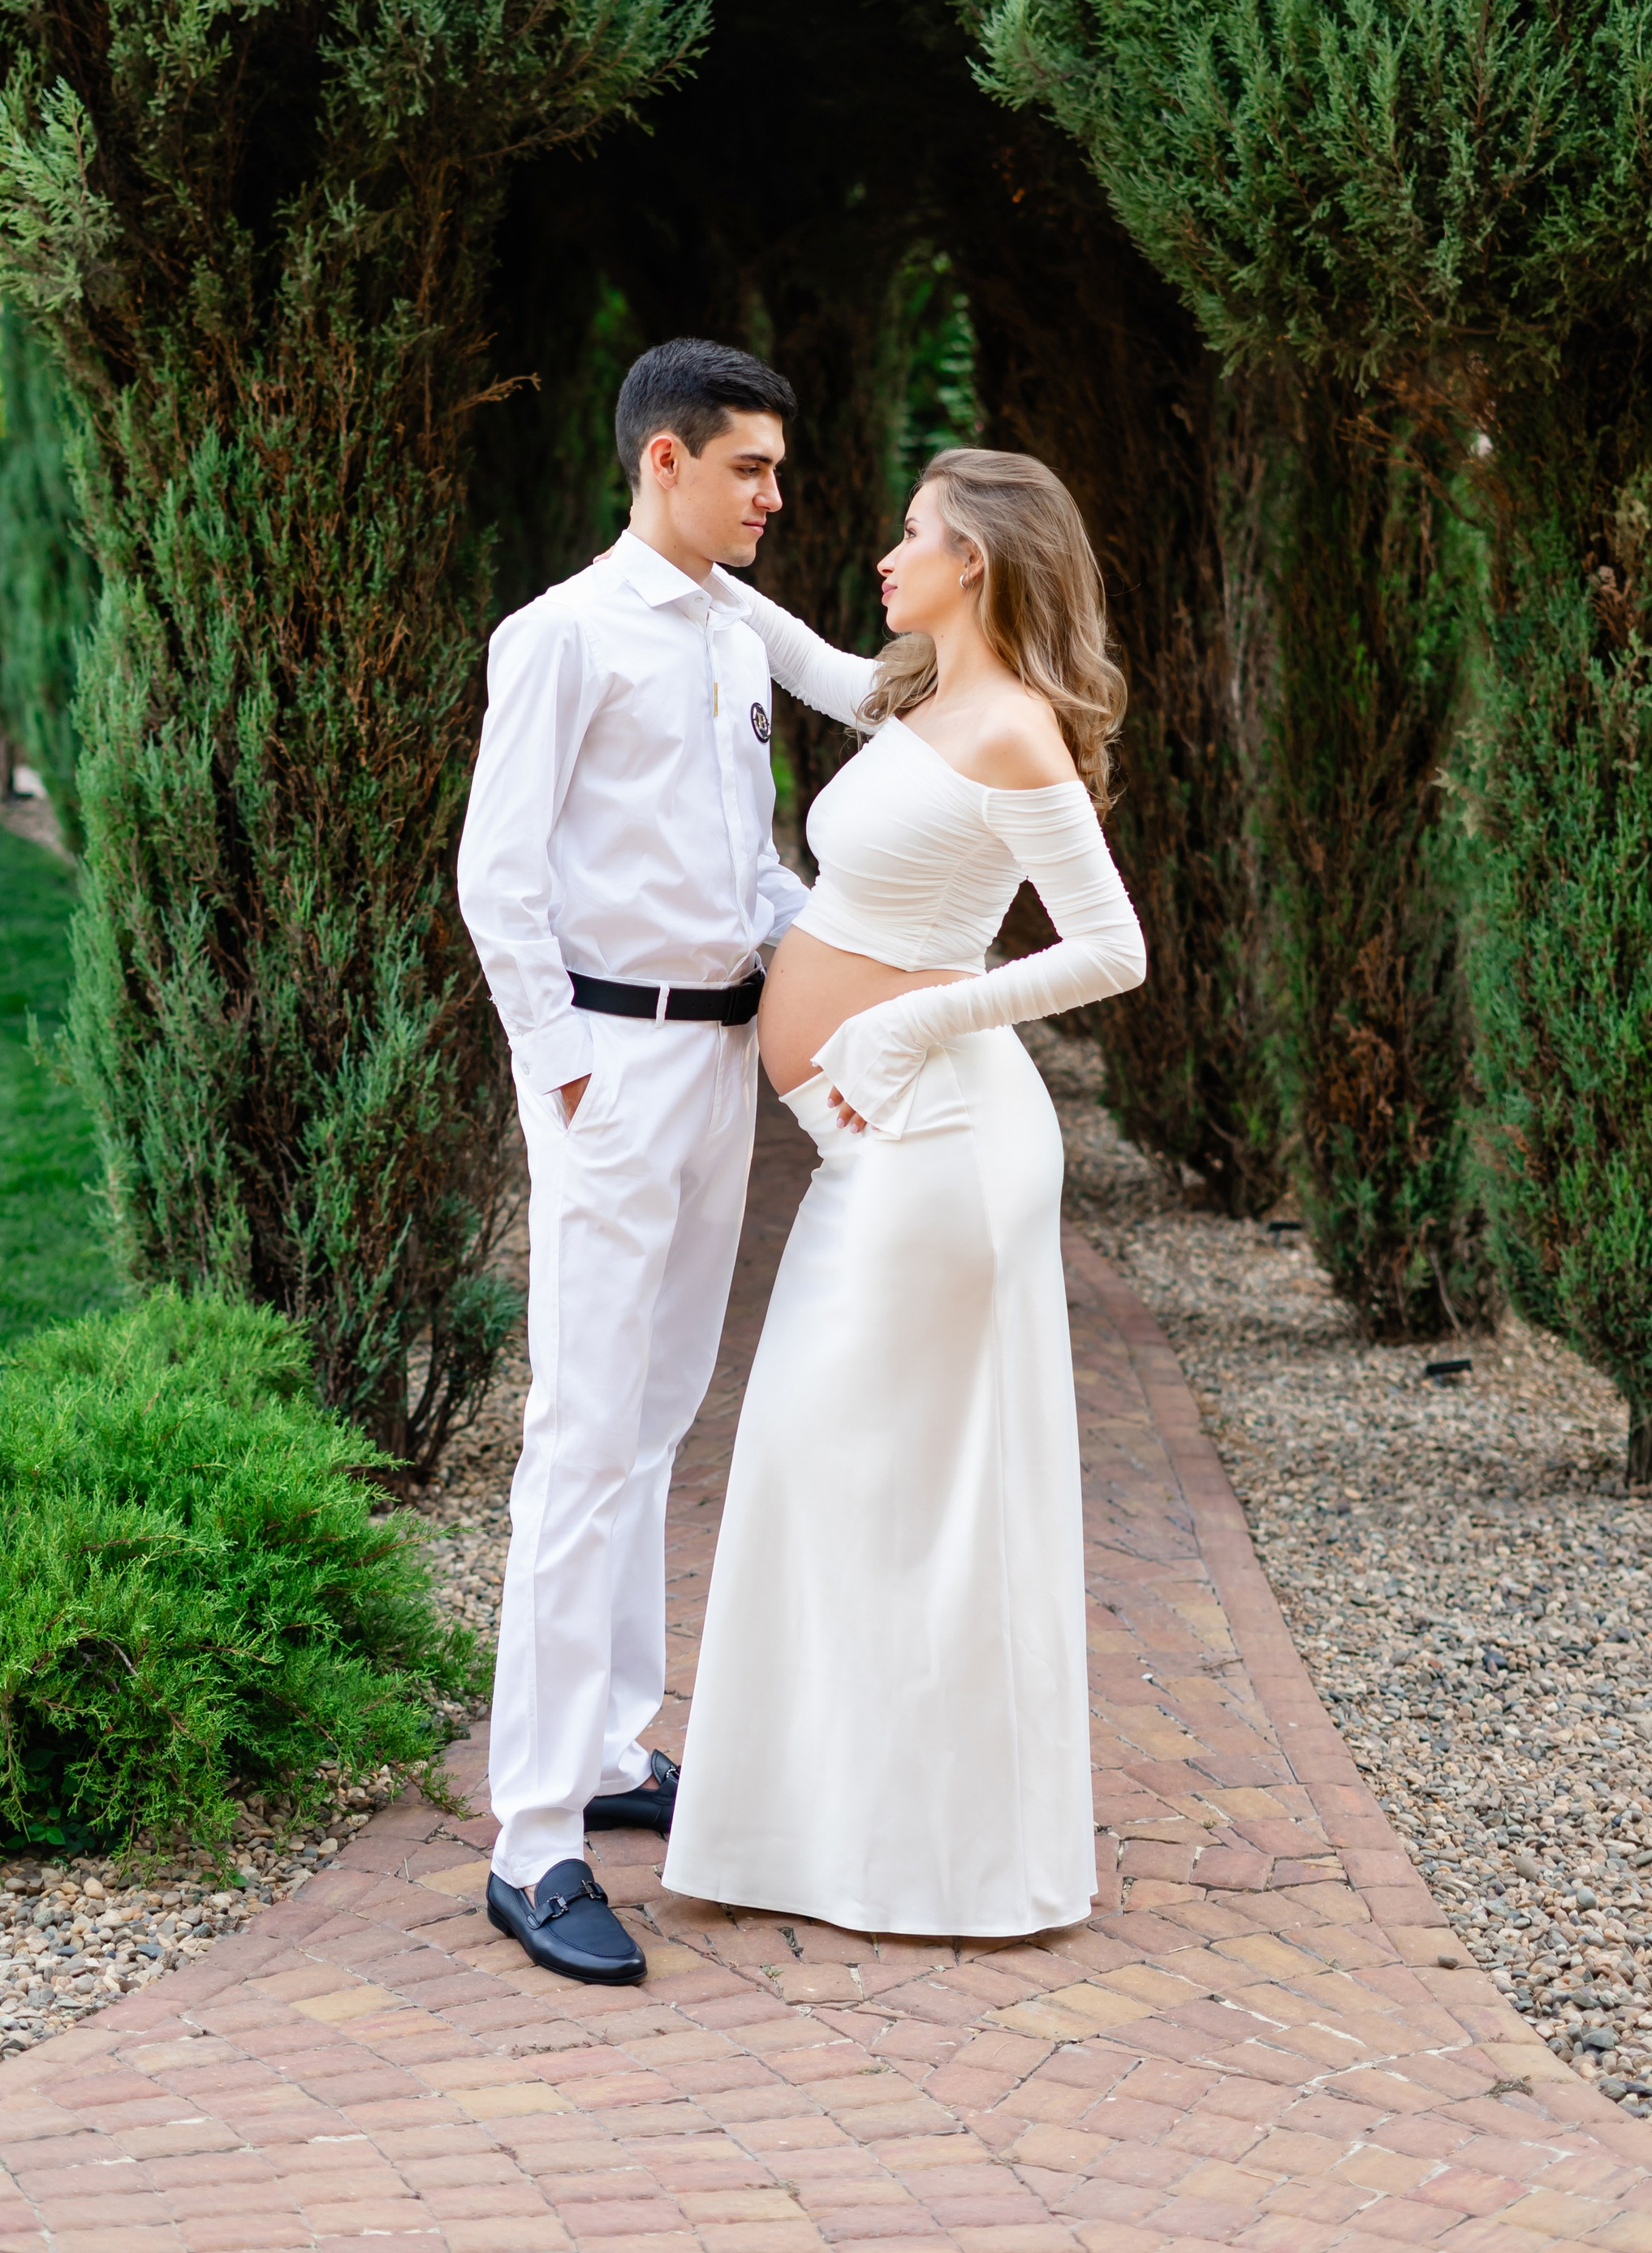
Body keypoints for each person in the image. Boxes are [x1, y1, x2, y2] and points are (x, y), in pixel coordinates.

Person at [662, 448, 1147, 1938]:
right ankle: (819, 1834)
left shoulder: (1013, 730)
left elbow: (1112, 947)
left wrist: (922, 1014)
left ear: (979, 562)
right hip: (875, 1139)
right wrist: (670, 555)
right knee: (841, 1476)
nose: (885, 551)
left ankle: (934, 1861)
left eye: (914, 534)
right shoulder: (915, 693)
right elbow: (778, 640)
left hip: (945, 1137)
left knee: (894, 1486)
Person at [457, 337, 807, 1986]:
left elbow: (754, 864)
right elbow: (496, 877)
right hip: (612, 1067)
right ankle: (530, 1840)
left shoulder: (736, 637)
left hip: (723, 1056)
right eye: (747, 465)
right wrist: (567, 1073)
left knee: (661, 1414)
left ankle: (607, 1744)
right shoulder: (559, 634)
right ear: (660, 460)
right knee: (580, 1435)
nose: (772, 494)